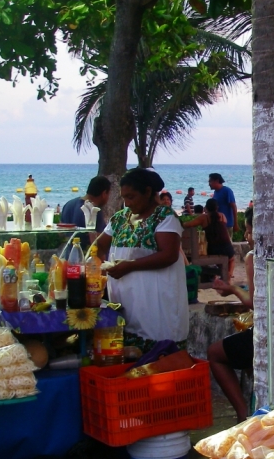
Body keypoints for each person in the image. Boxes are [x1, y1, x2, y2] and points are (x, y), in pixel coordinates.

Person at [95, 168, 188, 352]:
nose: (127, 203)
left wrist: (130, 266)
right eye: (124, 198)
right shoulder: (120, 219)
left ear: (147, 192)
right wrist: (95, 267)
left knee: (158, 361)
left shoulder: (165, 217)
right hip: (126, 304)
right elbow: (98, 247)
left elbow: (169, 255)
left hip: (157, 306)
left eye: (132, 197)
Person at [207, 239, 255, 421]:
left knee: (215, 353)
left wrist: (234, 289)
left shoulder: (253, 257)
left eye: (249, 230)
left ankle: (242, 414)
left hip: (268, 333)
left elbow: (254, 302)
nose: (246, 234)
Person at [183, 198, 236, 282]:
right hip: (226, 247)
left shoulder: (204, 218)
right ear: (217, 207)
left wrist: (181, 223)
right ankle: (228, 275)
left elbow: (188, 224)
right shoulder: (222, 216)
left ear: (206, 208)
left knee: (219, 259)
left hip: (213, 249)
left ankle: (219, 276)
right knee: (232, 259)